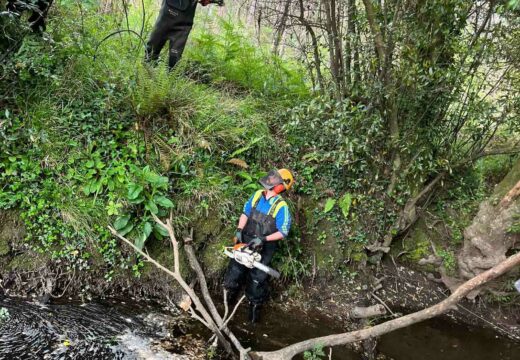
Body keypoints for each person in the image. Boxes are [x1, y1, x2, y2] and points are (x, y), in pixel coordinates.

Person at [223, 169, 294, 324]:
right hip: (246, 241)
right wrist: (239, 230)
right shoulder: (257, 195)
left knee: (256, 281)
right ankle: (226, 307)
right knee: (234, 273)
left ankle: (253, 318)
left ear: (282, 185)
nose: (271, 179)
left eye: (276, 178)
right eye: (272, 176)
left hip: (264, 247)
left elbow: (283, 232)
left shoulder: (281, 207)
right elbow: (245, 213)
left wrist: (263, 239)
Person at [145, 0, 212, 69]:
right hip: (167, 15)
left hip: (183, 23)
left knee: (174, 58)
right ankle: (147, 74)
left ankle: (168, 78)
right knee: (151, 49)